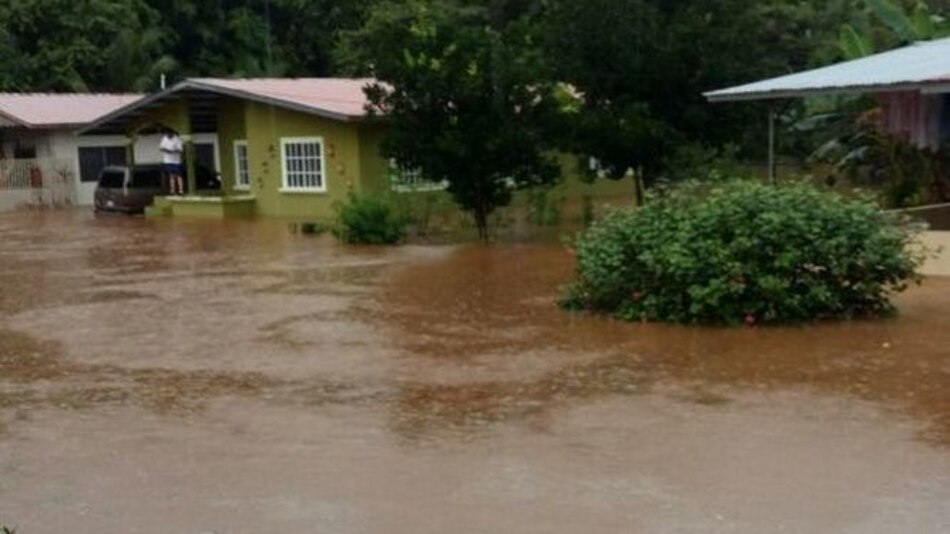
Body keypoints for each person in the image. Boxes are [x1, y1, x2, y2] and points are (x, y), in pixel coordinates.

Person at [159, 129, 184, 196]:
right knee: (171, 176)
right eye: (167, 134)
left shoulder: (177, 139)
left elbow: (180, 150)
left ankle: (181, 190)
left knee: (179, 176)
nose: (168, 135)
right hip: (167, 160)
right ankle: (172, 190)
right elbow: (161, 148)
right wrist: (166, 150)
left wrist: (172, 151)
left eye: (169, 133)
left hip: (176, 161)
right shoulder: (164, 138)